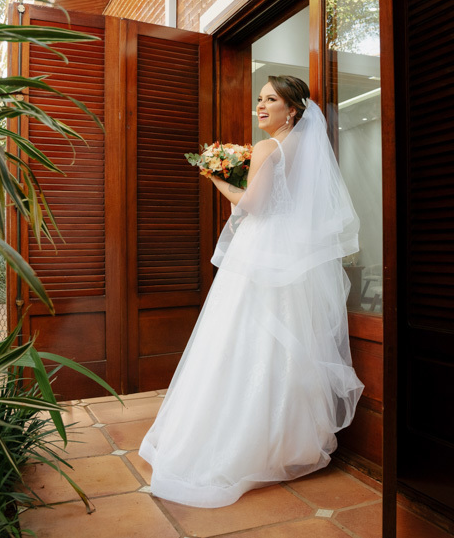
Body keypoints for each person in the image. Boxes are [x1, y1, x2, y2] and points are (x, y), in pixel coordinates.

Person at [138, 76, 363, 508]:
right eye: (259, 99)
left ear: (292, 111)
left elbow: (252, 206)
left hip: (261, 252)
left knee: (238, 336)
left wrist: (214, 177)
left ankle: (235, 444)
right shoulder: (303, 149)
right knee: (283, 341)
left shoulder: (267, 148)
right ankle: (288, 443)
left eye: (271, 100)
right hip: (291, 255)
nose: (261, 106)